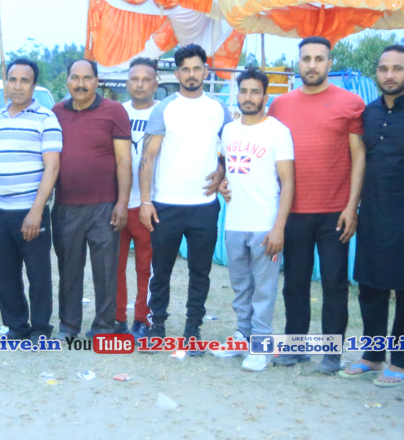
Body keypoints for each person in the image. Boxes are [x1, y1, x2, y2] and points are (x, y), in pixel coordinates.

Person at [267, 36, 365, 374]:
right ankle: (296, 347)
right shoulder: (279, 105)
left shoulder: (351, 103)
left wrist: (352, 206)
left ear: (329, 63)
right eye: (306, 58)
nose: (312, 65)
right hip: (293, 211)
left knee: (335, 284)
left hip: (335, 212)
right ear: (298, 62)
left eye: (319, 59)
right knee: (294, 283)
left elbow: (358, 156)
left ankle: (331, 353)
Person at [342, 45, 404, 385]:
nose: (389, 75)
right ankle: (373, 356)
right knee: (370, 285)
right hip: (374, 209)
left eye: (397, 68)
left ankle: (401, 362)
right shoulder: (370, 112)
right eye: (383, 68)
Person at [137, 44, 229, 353]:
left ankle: (193, 331)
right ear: (177, 74)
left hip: (204, 206)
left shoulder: (218, 108)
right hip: (166, 206)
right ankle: (157, 328)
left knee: (200, 273)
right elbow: (148, 157)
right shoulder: (165, 109)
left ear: (206, 71)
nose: (191, 74)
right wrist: (146, 201)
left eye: (196, 68)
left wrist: (222, 169)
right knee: (160, 271)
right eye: (185, 69)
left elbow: (230, 148)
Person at [211, 68, 294, 371]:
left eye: (255, 92)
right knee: (240, 286)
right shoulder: (229, 131)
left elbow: (288, 182)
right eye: (243, 91)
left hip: (264, 224)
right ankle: (242, 337)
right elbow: (226, 164)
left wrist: (279, 227)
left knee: (264, 289)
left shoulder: (278, 132)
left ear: (265, 96)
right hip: (234, 222)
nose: (248, 97)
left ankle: (261, 344)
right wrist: (222, 181)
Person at [0, 57, 62, 340]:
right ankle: (16, 326)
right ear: (6, 84)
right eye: (12, 80)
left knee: (38, 273)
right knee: (4, 272)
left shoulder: (46, 119)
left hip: (30, 210)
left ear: (34, 86)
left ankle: (40, 328)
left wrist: (37, 211)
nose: (17, 86)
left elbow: (52, 167)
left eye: (25, 80)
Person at [51, 58, 131, 337]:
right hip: (65, 206)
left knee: (105, 270)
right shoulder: (56, 113)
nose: (81, 84)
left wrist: (122, 203)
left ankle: (103, 326)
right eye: (75, 78)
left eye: (87, 78)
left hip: (104, 206)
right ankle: (69, 324)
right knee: (68, 269)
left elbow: (124, 160)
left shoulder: (114, 111)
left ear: (97, 81)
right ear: (67, 81)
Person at [116, 56, 158, 339]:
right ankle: (117, 317)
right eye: (134, 79)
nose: (140, 84)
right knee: (114, 266)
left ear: (156, 83)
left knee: (147, 267)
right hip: (117, 202)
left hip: (149, 203)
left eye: (146, 79)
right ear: (127, 83)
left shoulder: (165, 112)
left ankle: (143, 319)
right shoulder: (117, 111)